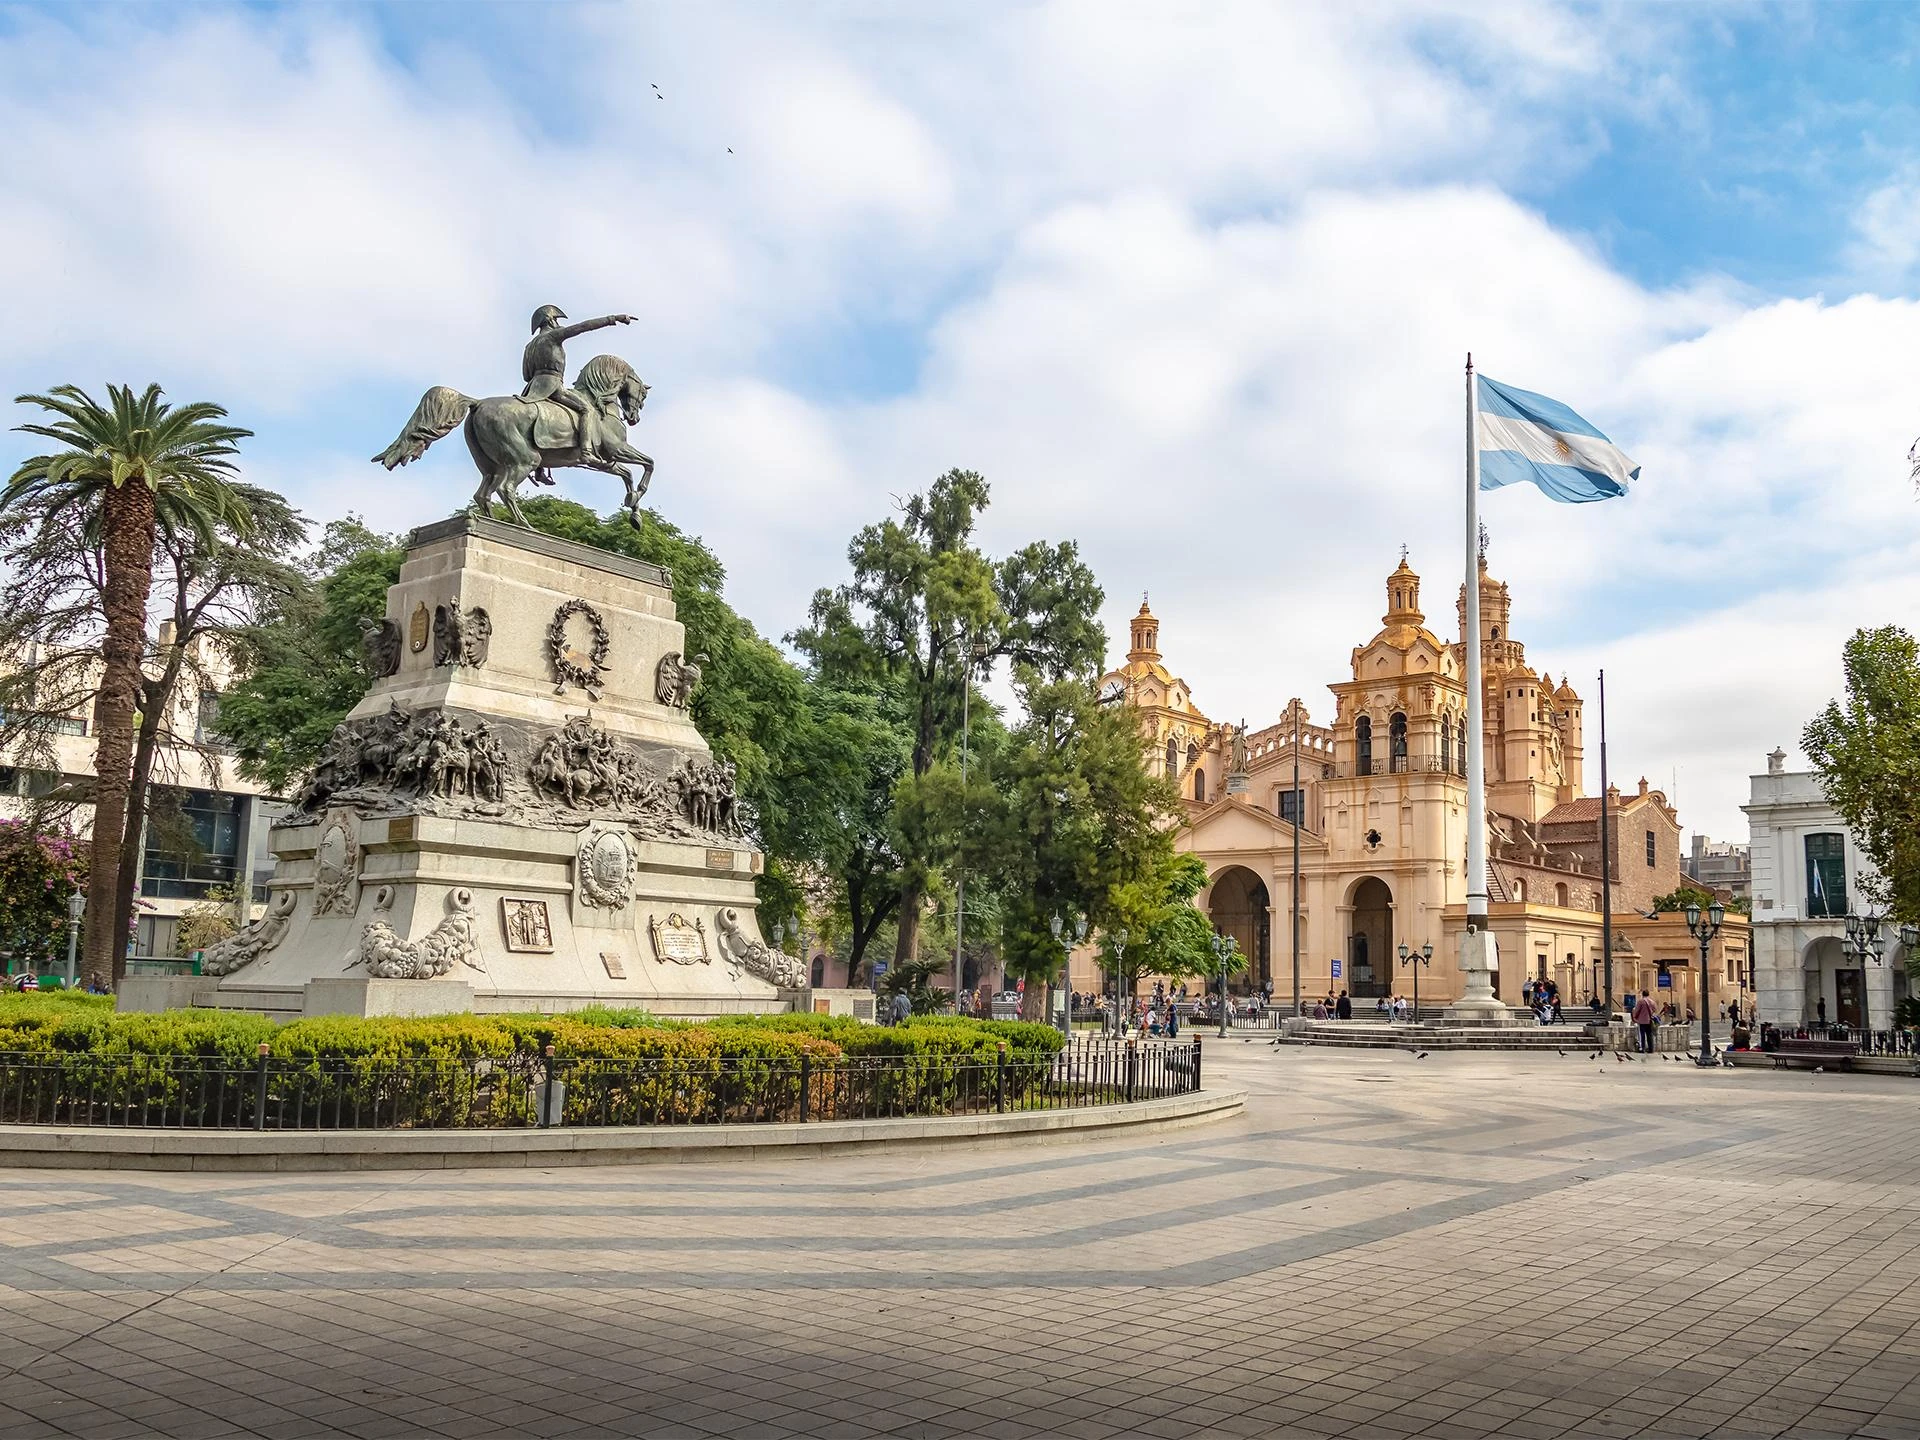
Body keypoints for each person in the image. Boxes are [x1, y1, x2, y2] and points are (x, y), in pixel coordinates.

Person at [1632, 989, 1658, 1054]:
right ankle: (1651, 1049)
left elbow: (1636, 1010)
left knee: (1642, 1035)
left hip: (1642, 1021)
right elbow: (1655, 1009)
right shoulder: (1652, 1002)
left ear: (1642, 994)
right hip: (1649, 1021)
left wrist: (1635, 1017)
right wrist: (1650, 1013)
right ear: (1648, 994)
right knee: (1649, 1035)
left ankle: (1642, 1048)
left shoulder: (1640, 1001)